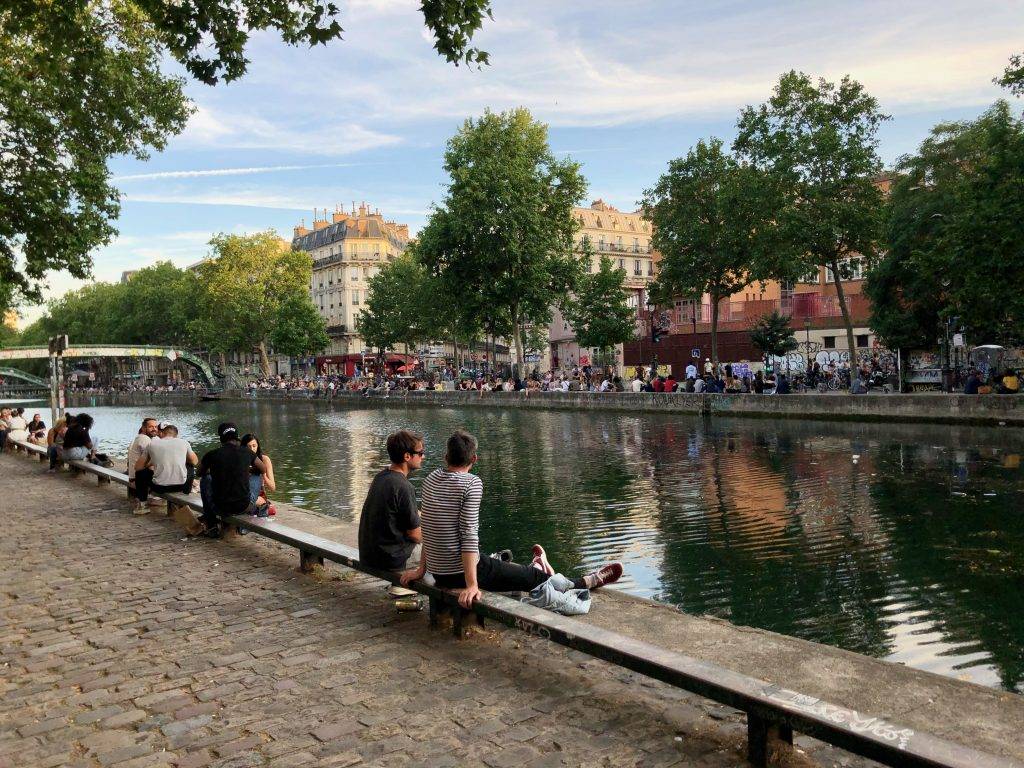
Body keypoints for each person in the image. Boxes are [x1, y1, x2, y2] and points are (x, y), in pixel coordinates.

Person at [401, 430, 622, 610]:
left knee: (507, 569)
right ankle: (586, 581)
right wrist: (472, 585)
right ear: (474, 459)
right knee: (533, 578)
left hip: (438, 572)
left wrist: (421, 570)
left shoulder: (430, 479)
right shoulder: (471, 483)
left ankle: (541, 567)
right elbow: (468, 535)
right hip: (460, 573)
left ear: (446, 457)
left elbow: (428, 527)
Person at [358, 430, 423, 573]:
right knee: (440, 547)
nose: (423, 456)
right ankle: (410, 584)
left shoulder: (380, 477)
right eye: (420, 453)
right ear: (407, 456)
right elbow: (416, 535)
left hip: (368, 555)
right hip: (390, 559)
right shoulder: (404, 487)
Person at [198, 422, 265, 538]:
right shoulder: (247, 452)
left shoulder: (212, 454)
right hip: (243, 506)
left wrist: (216, 471)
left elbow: (199, 472)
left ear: (221, 438)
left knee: (205, 479)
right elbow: (262, 469)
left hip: (219, 508)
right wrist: (246, 471)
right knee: (257, 475)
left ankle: (211, 525)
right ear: (237, 436)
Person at [135, 424, 198, 504]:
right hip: (181, 486)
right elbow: (195, 461)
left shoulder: (152, 444)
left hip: (160, 488)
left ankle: (142, 504)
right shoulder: (184, 442)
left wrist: (152, 463)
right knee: (190, 466)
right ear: (176, 435)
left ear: (162, 433)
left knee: (141, 473)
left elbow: (138, 467)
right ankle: (186, 493)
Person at [127, 418, 160, 513]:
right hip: (138, 478)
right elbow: (152, 462)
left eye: (155, 427)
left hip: (135, 475)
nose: (154, 429)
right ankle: (143, 503)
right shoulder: (144, 439)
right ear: (143, 428)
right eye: (151, 427)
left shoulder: (142, 437)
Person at [241, 433, 277, 517]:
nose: (252, 449)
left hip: (258, 496)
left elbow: (272, 487)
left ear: (258, 446)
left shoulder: (264, 460)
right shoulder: (240, 459)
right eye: (248, 446)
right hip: (243, 494)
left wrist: (263, 475)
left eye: (254, 446)